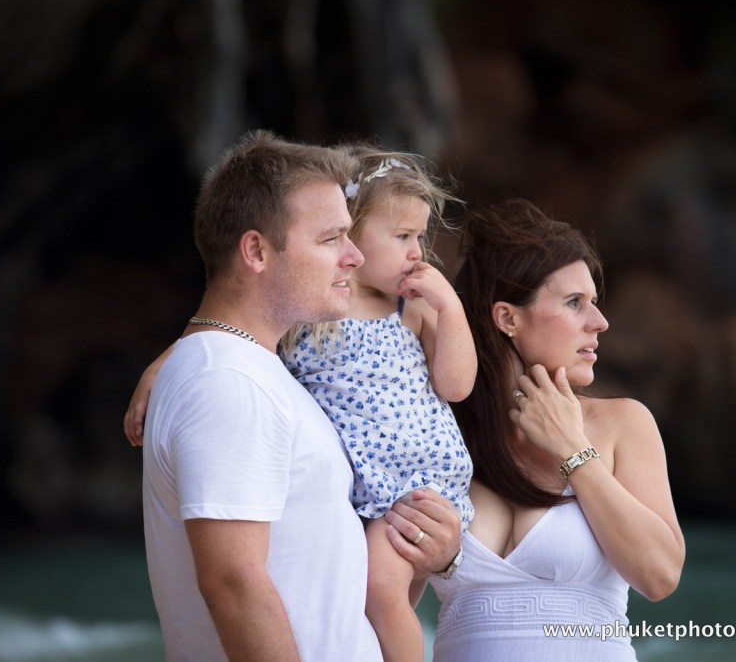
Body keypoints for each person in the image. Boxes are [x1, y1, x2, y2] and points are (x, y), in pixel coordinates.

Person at [136, 129, 460, 662]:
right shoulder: (229, 382)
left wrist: (437, 557)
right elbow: (234, 584)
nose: (355, 257)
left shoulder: (267, 372)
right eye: (331, 238)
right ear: (257, 251)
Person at [429, 198, 686, 661]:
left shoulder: (621, 423)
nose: (600, 322)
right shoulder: (442, 433)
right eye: (574, 303)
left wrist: (573, 450)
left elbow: (660, 576)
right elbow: (383, 598)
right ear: (507, 317)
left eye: (594, 302)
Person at [281, 144, 476, 662]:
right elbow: (234, 332)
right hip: (368, 489)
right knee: (383, 611)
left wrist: (449, 307)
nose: (418, 252)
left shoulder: (408, 307)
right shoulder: (315, 305)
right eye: (404, 236)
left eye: (421, 237)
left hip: (415, 484)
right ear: (350, 234)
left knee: (380, 597)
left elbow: (456, 385)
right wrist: (162, 367)